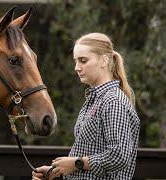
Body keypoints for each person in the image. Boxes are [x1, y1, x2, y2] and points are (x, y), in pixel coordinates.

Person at [32, 32, 140, 180]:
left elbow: (119, 156)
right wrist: (55, 172)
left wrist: (76, 163)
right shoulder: (94, 99)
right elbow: (91, 155)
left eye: (83, 60)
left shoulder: (113, 101)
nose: (77, 67)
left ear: (104, 60)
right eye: (75, 61)